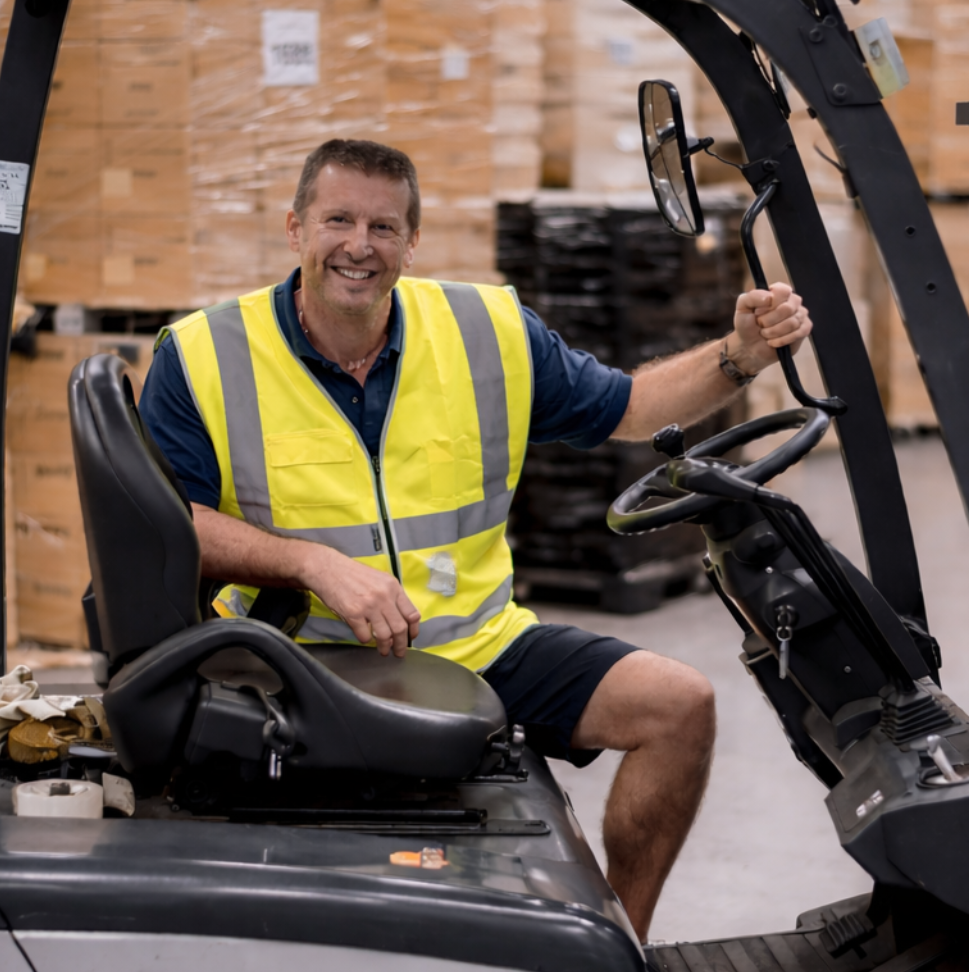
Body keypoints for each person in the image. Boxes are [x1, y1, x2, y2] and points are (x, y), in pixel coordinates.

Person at [138, 138, 812, 940]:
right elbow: (166, 523)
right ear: (295, 230)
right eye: (339, 220)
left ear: (412, 244)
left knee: (679, 707)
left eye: (385, 228)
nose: (360, 245)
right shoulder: (205, 352)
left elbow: (630, 408)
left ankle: (615, 947)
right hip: (300, 664)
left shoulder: (484, 328)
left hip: (479, 647)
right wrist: (312, 564)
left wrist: (741, 355)